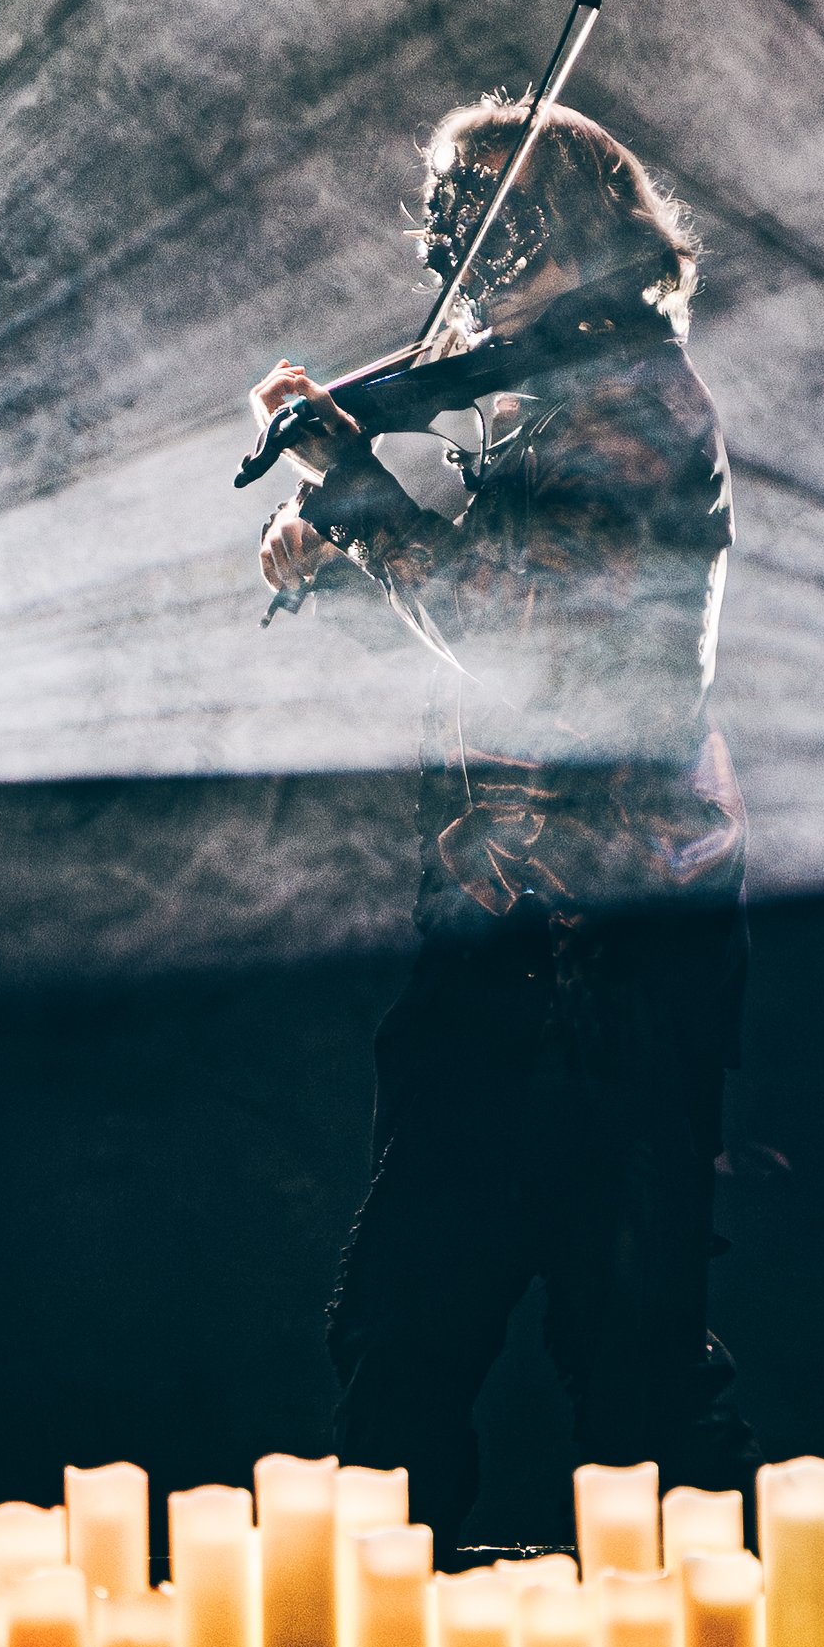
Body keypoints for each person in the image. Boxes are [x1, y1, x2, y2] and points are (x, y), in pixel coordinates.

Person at [250, 88, 759, 1554]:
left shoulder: (632, 408)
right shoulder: (546, 399)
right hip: (505, 934)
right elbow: (485, 654)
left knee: (629, 1370)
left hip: (607, 950)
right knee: (410, 1336)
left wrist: (351, 485)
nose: (460, 277)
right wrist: (337, 568)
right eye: (453, 239)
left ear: (568, 236)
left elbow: (511, 634)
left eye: (491, 237)